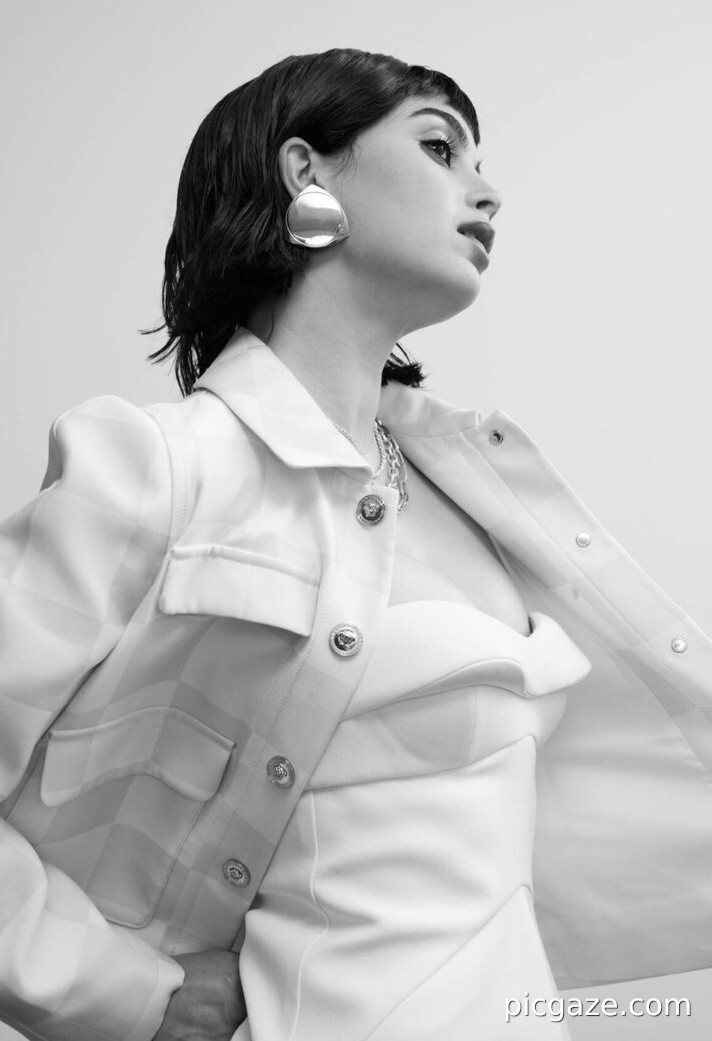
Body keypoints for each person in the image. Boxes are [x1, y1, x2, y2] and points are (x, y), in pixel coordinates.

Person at [2, 46, 712, 1041]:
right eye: (440, 149)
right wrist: (126, 994)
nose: (488, 193)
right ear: (308, 173)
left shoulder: (479, 487)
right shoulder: (158, 465)